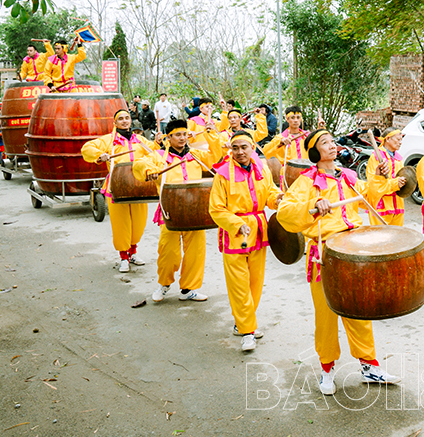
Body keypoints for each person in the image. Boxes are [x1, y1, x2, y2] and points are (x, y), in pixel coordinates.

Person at [277, 128, 399, 395]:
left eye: (332, 141)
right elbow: (285, 214)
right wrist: (312, 206)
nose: (332, 146)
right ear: (314, 151)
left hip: (354, 251)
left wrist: (378, 179)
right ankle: (327, 368)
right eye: (324, 143)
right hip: (324, 253)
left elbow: (369, 200)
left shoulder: (349, 176)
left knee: (359, 309)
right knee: (327, 314)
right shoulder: (306, 181)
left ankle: (369, 365)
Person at [133, 119, 224, 302]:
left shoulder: (197, 155)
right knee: (168, 252)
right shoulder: (159, 156)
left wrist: (211, 133)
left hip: (195, 210)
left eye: (184, 134)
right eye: (178, 135)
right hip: (170, 210)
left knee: (195, 251)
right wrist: (149, 170)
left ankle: (188, 289)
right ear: (169, 137)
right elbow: (139, 164)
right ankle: (164, 284)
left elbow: (216, 155)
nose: (182, 138)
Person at [208, 131, 281, 351]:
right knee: (239, 285)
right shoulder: (222, 175)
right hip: (235, 235)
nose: (240, 152)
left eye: (244, 147)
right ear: (231, 149)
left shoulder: (262, 169)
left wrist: (278, 198)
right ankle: (247, 330)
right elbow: (216, 209)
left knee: (255, 283)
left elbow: (269, 193)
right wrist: (236, 224)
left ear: (252, 147)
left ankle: (243, 322)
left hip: (259, 230)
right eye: (235, 148)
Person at [82, 109, 160, 272]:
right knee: (121, 224)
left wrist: (159, 142)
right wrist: (100, 154)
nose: (125, 121)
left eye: (127, 118)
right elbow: (87, 148)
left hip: (139, 186)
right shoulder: (109, 140)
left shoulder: (139, 139)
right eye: (121, 119)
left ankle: (133, 252)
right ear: (115, 123)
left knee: (138, 223)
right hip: (117, 187)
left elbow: (154, 151)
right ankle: (123, 256)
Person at [364, 127, 406, 225]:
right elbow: (373, 186)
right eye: (398, 139)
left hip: (398, 206)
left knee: (397, 238)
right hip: (381, 207)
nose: (400, 142)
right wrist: (395, 183)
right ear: (388, 139)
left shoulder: (399, 159)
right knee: (380, 238)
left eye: (401, 140)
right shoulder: (376, 157)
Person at [261, 106, 312, 172]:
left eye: (298, 117)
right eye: (292, 118)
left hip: (307, 174)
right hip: (287, 175)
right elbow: (266, 151)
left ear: (301, 119)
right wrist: (280, 143)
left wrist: (321, 129)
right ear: (287, 119)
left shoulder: (307, 136)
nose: (296, 120)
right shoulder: (281, 137)